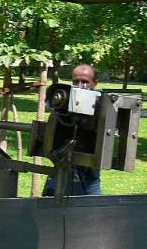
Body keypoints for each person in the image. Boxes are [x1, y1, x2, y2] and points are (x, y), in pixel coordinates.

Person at [42, 63, 102, 196]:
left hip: (89, 176)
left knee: (94, 213)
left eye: (85, 82)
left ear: (95, 82)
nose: (80, 86)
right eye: (76, 81)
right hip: (60, 170)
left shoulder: (103, 107)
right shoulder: (63, 105)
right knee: (47, 211)